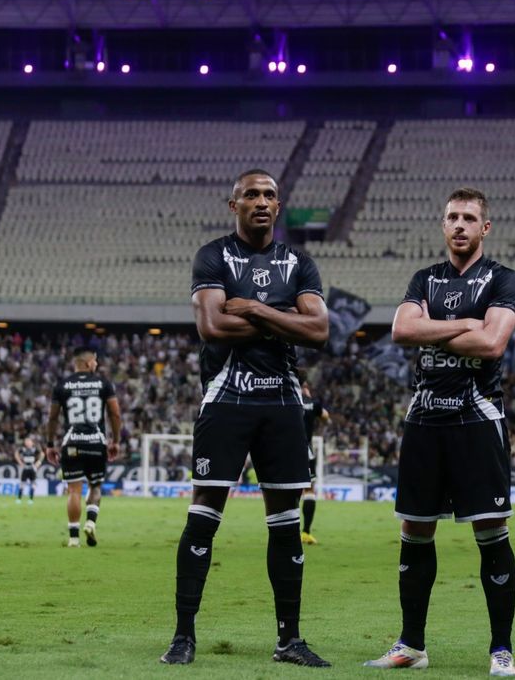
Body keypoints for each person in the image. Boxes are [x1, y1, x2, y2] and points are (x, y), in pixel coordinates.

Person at [159, 169, 331, 667]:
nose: (261, 201)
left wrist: (254, 309)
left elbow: (318, 330)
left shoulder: (299, 262)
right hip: (226, 400)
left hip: (281, 404)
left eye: (270, 195)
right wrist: (283, 318)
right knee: (204, 516)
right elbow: (213, 326)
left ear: (279, 207)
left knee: (285, 522)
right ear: (232, 204)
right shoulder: (213, 255)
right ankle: (183, 636)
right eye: (251, 194)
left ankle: (289, 641)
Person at [364, 187, 515, 677]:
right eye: (452, 217)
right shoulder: (423, 278)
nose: (459, 225)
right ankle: (411, 645)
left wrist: (441, 325)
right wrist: (467, 323)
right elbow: (402, 331)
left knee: (491, 531)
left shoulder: (502, 278)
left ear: (484, 228)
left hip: (477, 418)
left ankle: (501, 649)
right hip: (425, 417)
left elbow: (493, 343)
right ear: (443, 224)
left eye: (468, 218)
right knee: (414, 529)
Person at [44, 347, 123, 547]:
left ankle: (73, 538)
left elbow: (52, 417)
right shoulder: (104, 384)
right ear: (88, 363)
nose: (96, 364)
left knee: (73, 491)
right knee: (95, 486)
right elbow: (115, 414)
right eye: (95, 361)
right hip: (96, 443)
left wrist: (50, 445)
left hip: (72, 443)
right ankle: (90, 522)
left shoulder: (62, 385)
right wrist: (116, 441)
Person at [300, 381, 330, 545]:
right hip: (304, 449)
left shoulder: (285, 397)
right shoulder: (313, 403)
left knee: (285, 491)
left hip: (282, 449)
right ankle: (305, 532)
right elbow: (326, 417)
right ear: (305, 386)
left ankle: (283, 531)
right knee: (309, 489)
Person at [15, 435, 43, 504]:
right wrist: (20, 462)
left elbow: (42, 454)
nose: (27, 443)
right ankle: (19, 499)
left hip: (32, 468)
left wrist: (38, 462)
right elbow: (16, 453)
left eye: (29, 441)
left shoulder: (35, 449)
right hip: (25, 468)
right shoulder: (23, 449)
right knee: (22, 484)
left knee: (33, 484)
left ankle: (31, 499)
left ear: (32, 443)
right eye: (26, 442)